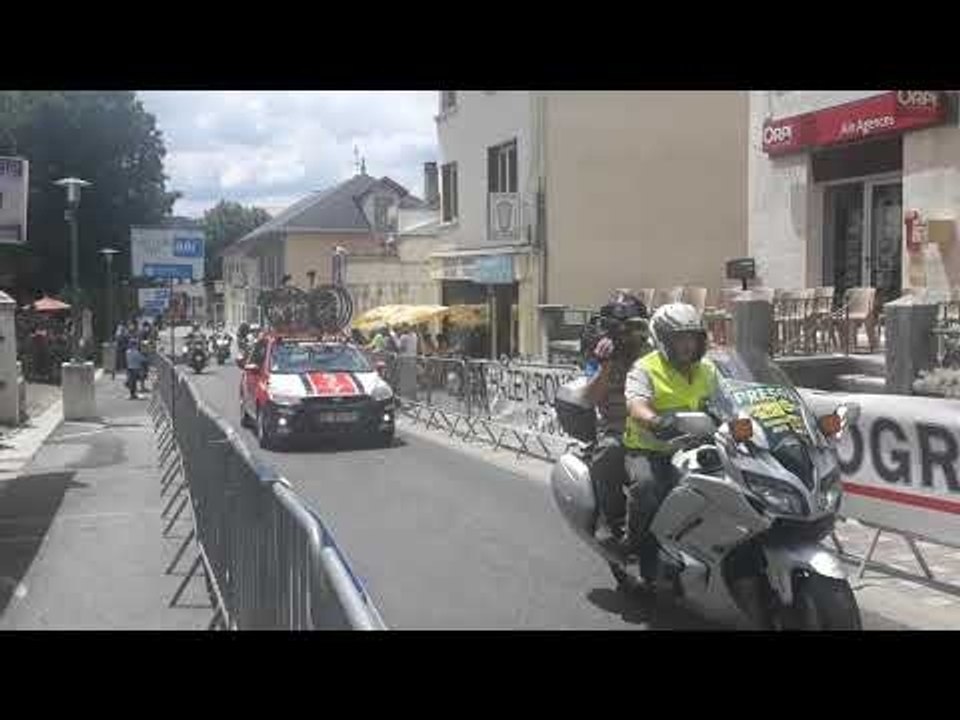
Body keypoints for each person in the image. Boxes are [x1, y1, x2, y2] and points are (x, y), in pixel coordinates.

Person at [622, 302, 718, 579]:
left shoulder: (708, 369)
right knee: (647, 487)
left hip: (695, 448)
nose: (687, 344)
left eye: (692, 337)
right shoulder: (645, 368)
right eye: (679, 338)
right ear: (663, 340)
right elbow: (635, 405)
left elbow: (729, 400)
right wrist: (655, 421)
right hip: (650, 449)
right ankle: (636, 546)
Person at [578, 291, 651, 542]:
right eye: (620, 328)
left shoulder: (655, 353)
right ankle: (611, 520)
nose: (627, 334)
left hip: (656, 428)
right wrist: (605, 365)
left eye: (633, 326)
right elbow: (590, 398)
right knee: (609, 452)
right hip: (617, 428)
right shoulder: (598, 352)